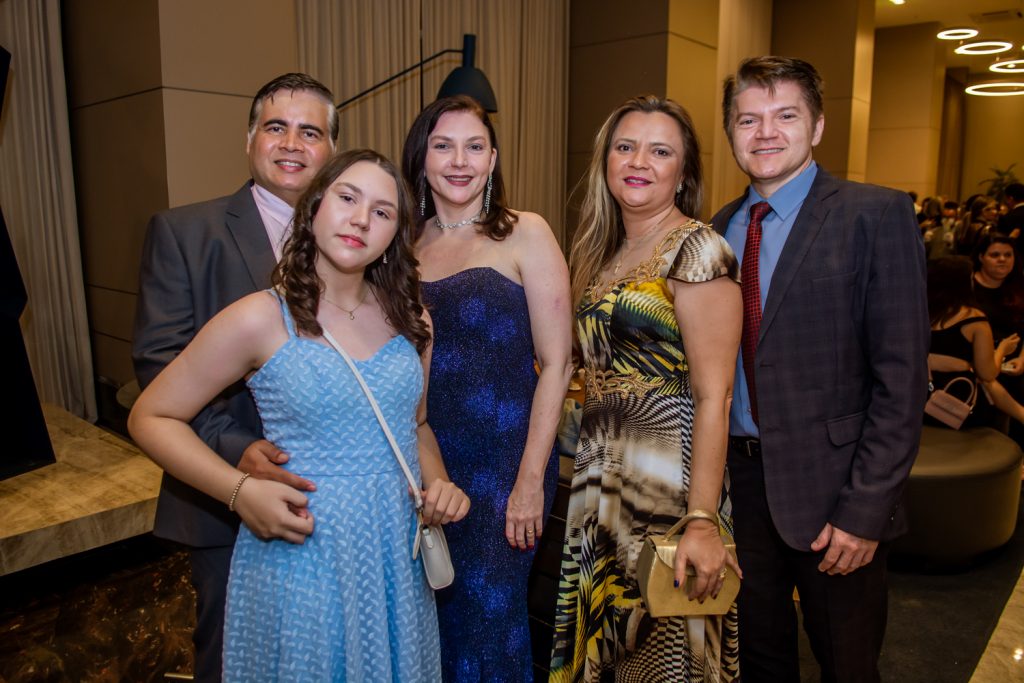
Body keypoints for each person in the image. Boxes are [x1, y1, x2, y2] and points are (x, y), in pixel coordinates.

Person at [129, 149, 471, 680]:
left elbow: (415, 423)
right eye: (348, 198)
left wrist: (440, 481)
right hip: (304, 553)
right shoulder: (260, 318)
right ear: (313, 208)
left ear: (395, 235)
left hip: (393, 560)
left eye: (382, 212)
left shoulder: (412, 320)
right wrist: (239, 493)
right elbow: (151, 416)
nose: (361, 218)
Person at [711, 56, 929, 682]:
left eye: (785, 116)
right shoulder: (717, 231)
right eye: (748, 119)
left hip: (837, 489)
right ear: (731, 132)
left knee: (848, 662)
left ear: (819, 125)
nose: (765, 132)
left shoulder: (874, 214)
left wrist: (865, 510)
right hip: (740, 489)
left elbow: (902, 381)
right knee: (757, 657)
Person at [132, 73, 337, 682]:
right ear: (250, 140)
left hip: (336, 499)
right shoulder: (184, 232)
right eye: (276, 127)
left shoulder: (359, 241)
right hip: (225, 496)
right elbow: (158, 365)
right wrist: (237, 449)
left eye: (311, 132)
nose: (292, 144)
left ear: (331, 152)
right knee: (233, 657)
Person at [549, 95, 743, 682]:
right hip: (601, 481)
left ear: (682, 173)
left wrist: (703, 521)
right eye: (626, 146)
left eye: (661, 151)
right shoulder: (600, 251)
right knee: (613, 646)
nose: (640, 161)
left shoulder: (698, 249)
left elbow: (716, 397)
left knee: (661, 650)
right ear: (605, 160)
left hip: (668, 486)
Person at [401, 94, 573, 681]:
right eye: (443, 146)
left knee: (491, 622)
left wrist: (529, 481)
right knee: (433, 620)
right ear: (421, 157)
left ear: (493, 159)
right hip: (424, 462)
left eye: (475, 147)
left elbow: (557, 364)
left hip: (506, 468)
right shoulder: (399, 247)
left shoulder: (525, 233)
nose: (459, 160)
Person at [928, 256, 1024, 426]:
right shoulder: (973, 319)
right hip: (958, 404)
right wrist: (1002, 349)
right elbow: (987, 372)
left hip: (919, 401)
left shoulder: (920, 314)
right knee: (989, 383)